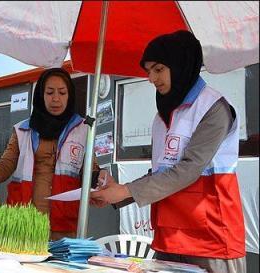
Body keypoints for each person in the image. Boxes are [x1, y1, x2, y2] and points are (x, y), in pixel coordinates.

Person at [91, 30, 246, 273]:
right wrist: (118, 193)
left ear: (181, 64)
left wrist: (125, 190)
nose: (151, 78)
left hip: (211, 240)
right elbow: (162, 172)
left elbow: (188, 169)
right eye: (148, 71)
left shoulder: (214, 109)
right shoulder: (162, 117)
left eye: (159, 69)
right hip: (168, 238)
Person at [0, 68, 105, 240]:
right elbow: (1, 171)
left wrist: (101, 178)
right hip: (25, 228)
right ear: (40, 96)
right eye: (49, 92)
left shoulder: (83, 130)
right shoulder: (22, 130)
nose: (56, 98)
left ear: (70, 96)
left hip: (65, 230)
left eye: (62, 92)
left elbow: (91, 172)